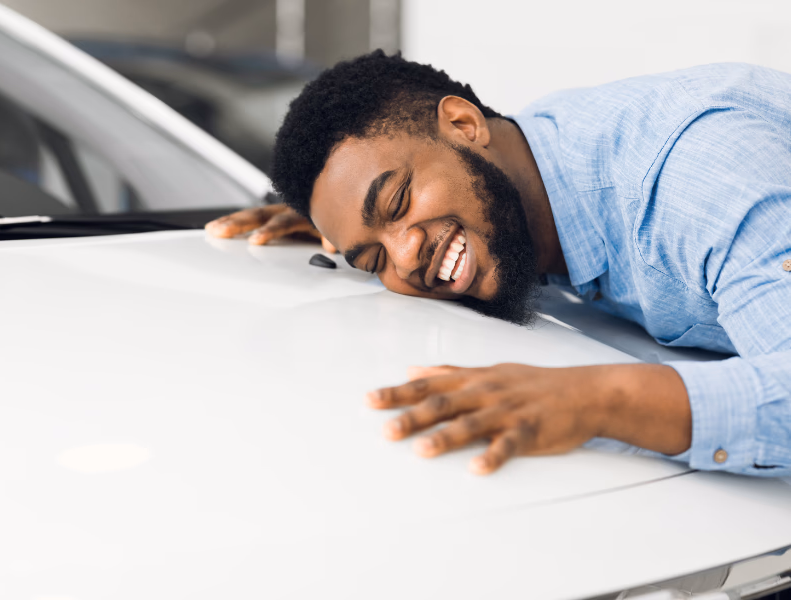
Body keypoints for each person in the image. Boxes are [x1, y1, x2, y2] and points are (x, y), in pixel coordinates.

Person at [206, 51, 791, 477]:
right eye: (373, 256)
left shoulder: (698, 183)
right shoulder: (518, 167)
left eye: (396, 202)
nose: (406, 258)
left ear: (464, 124)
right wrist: (351, 224)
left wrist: (596, 400)